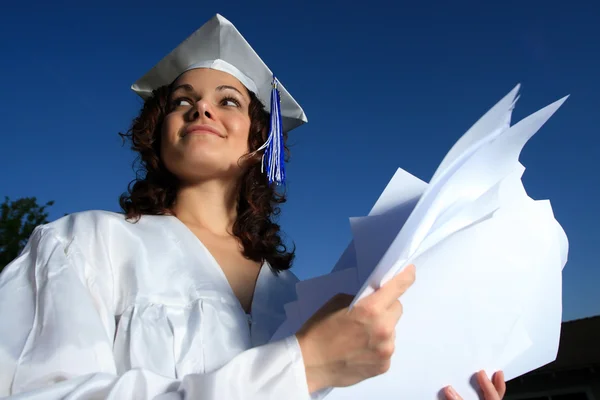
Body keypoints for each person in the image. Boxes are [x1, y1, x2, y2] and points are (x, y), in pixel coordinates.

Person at [0, 14, 506, 400]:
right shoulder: (82, 245)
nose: (200, 108)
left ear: (261, 140)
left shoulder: (293, 292)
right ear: (158, 131)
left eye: (228, 101)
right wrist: (301, 366)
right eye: (182, 100)